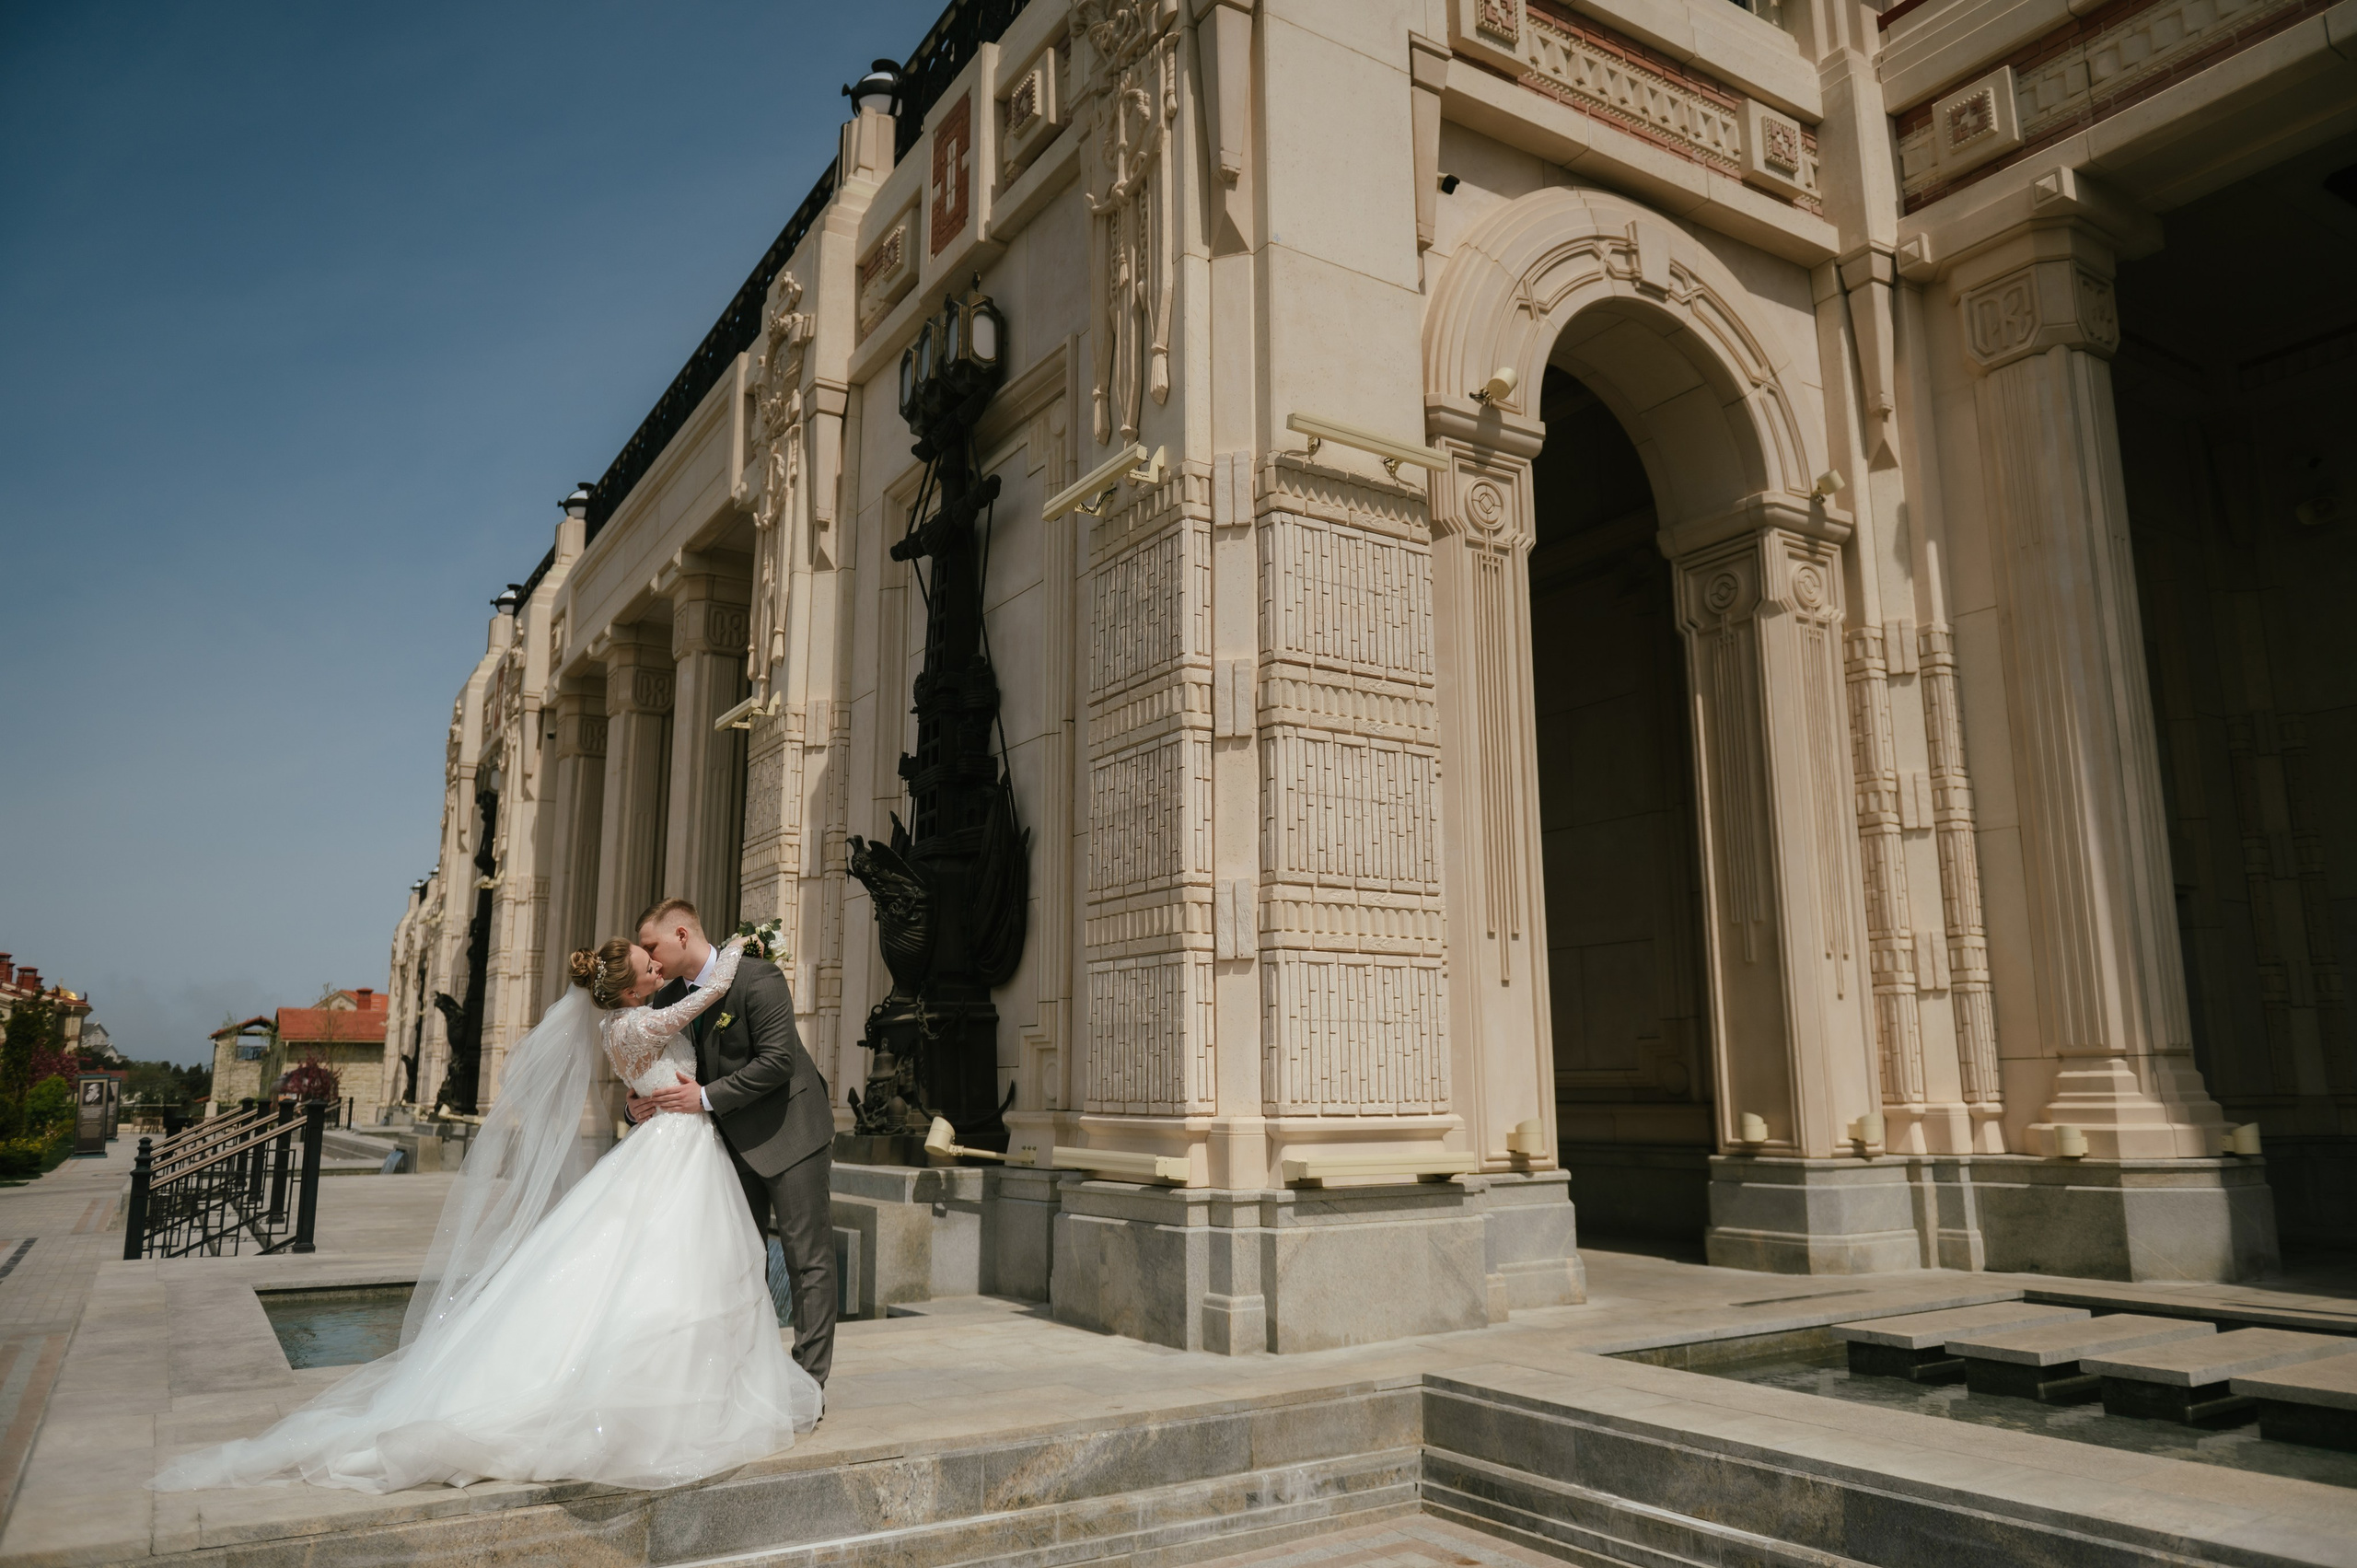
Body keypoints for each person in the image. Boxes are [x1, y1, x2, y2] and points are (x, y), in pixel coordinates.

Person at [152, 935, 820, 1494]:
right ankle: (678, 1392)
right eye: (647, 966)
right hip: (676, 1150)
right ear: (628, 989)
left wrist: (644, 1098)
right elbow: (708, 993)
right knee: (672, 1270)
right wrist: (739, 945)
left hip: (669, 1143)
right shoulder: (644, 1019)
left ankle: (700, 1381)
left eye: (655, 958)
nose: (656, 965)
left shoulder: (617, 1025)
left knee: (670, 1269)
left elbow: (638, 1083)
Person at [627, 899, 836, 1385]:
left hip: (790, 1132)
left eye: (651, 946)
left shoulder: (757, 978)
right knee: (740, 1262)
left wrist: (702, 1097)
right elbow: (648, 1068)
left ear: (682, 935)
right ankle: (750, 1379)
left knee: (808, 1263)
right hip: (726, 1146)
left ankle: (809, 1383)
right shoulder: (663, 999)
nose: (648, 960)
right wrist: (633, 1106)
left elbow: (778, 1060)